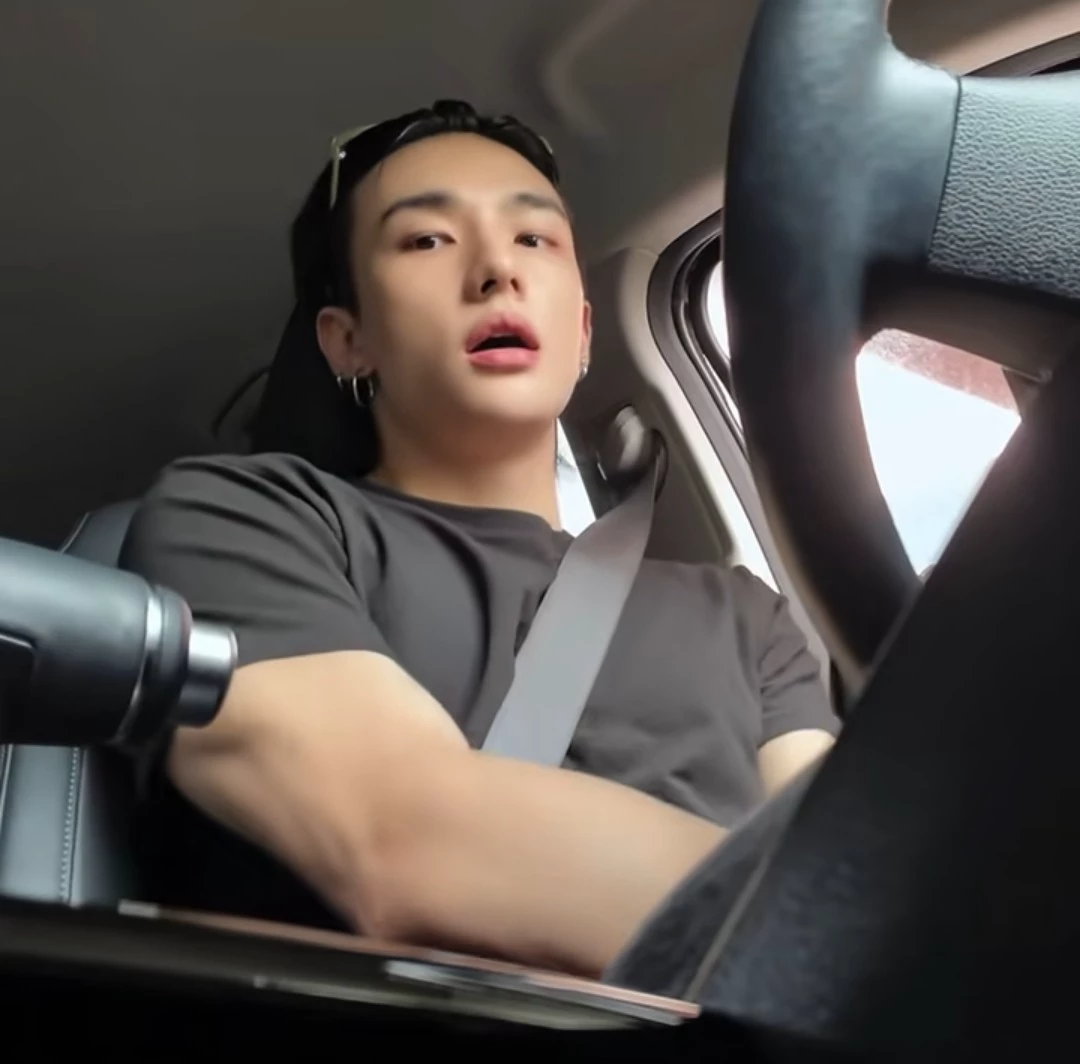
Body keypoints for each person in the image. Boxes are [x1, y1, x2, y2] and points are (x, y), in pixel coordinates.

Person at [119, 99, 839, 979]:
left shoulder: (748, 620)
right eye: (427, 240)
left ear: (582, 334)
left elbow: (841, 852)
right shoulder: (241, 520)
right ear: (346, 342)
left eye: (535, 239)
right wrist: (854, 950)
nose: (498, 269)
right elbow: (406, 841)